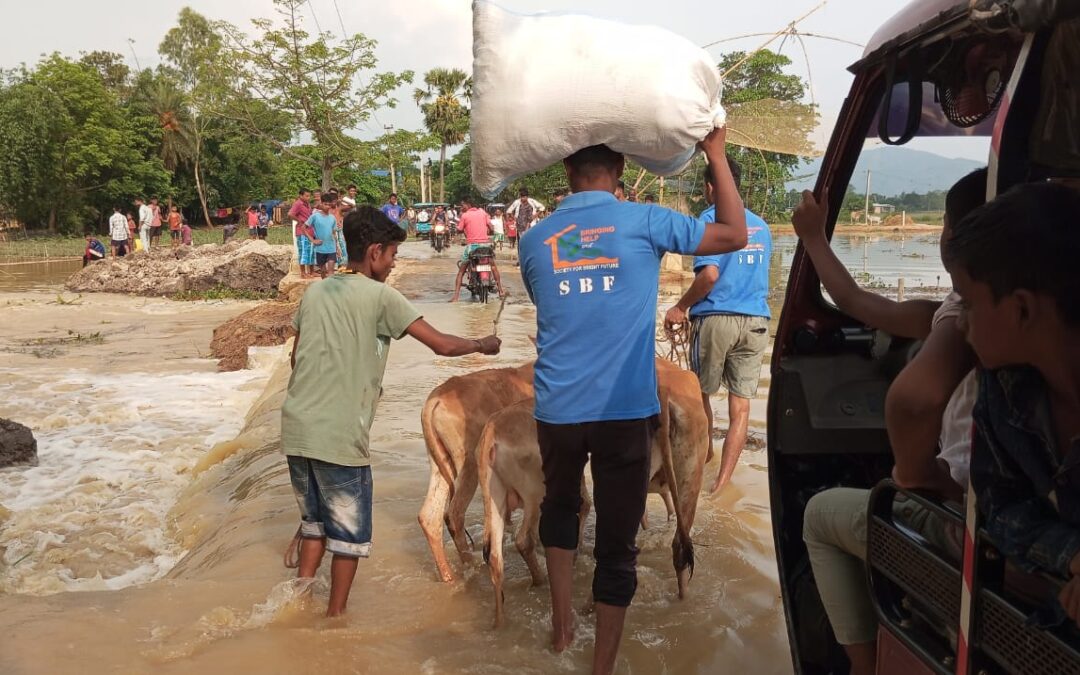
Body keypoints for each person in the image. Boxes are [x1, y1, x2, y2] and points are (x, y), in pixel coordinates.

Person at [518, 130, 746, 675]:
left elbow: (554, 309)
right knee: (617, 542)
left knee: (559, 509)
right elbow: (735, 234)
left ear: (566, 171)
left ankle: (561, 629)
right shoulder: (646, 220)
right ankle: (602, 666)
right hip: (622, 409)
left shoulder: (534, 238)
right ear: (620, 169)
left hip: (557, 407)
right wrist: (715, 153)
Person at [796, 169, 987, 675]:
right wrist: (814, 239)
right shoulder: (1014, 311)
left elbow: (915, 400)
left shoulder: (964, 313)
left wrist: (914, 475)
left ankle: (865, 667)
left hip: (955, 519)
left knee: (819, 515)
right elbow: (857, 303)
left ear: (953, 237)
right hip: (983, 516)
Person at [283, 205, 501, 618]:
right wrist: (481, 345)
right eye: (393, 255)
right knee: (348, 539)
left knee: (313, 526)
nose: (394, 263)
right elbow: (441, 345)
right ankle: (335, 621)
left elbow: (297, 359)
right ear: (375, 252)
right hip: (339, 434)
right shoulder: (382, 297)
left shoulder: (315, 292)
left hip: (296, 429)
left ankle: (299, 605)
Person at [943, 181, 1080, 630]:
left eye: (968, 303)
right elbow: (1000, 507)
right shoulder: (1003, 389)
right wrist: (1071, 554)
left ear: (1021, 309)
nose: (960, 323)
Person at [664, 158, 774, 495]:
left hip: (716, 318)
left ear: (711, 187)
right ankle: (721, 484)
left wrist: (680, 307)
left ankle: (702, 465)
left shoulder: (710, 220)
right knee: (741, 407)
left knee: (701, 396)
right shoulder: (761, 226)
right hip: (756, 322)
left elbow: (709, 276)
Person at [450, 197, 504, 302]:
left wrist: (458, 229)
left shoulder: (465, 215)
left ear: (468, 204)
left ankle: (455, 297)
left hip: (472, 247)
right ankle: (501, 291)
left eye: (462, 205)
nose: (461, 207)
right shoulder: (483, 212)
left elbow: (459, 229)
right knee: (493, 267)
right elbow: (491, 228)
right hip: (485, 246)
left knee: (461, 271)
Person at [306, 194, 339, 278]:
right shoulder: (315, 216)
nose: (327, 206)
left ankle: (331, 286)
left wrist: (337, 247)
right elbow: (303, 228)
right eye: (325, 204)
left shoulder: (332, 218)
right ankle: (324, 284)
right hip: (320, 248)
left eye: (329, 204)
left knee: (331, 271)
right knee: (323, 271)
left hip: (331, 248)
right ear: (321, 203)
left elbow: (334, 234)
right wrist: (312, 240)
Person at [289, 189, 315, 278]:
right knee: (303, 252)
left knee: (310, 252)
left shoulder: (307, 204)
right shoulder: (298, 203)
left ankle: (311, 272)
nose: (308, 197)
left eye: (309, 196)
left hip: (310, 231)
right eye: (306, 196)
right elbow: (290, 214)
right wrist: (299, 220)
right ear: (301, 195)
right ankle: (303, 273)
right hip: (302, 232)